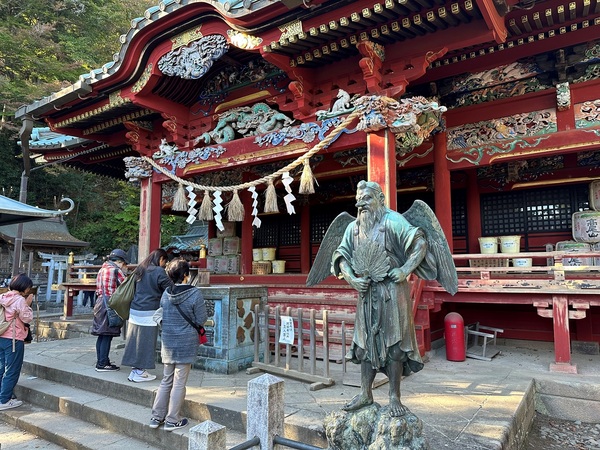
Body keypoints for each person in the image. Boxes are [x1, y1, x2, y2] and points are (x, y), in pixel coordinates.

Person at [332, 180, 435, 417]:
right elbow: (341, 256)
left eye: (367, 198)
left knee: (395, 344)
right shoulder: (353, 228)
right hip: (366, 293)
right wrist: (352, 279)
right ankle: (365, 393)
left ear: (380, 198)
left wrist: (406, 269)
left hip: (392, 291)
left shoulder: (393, 221)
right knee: (365, 344)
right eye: (358, 199)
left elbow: (420, 241)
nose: (361, 204)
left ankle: (394, 396)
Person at [149, 258, 207, 431]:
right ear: (186, 276)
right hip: (186, 342)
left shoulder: (166, 293)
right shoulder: (194, 293)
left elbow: (163, 313)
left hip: (168, 341)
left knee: (166, 380)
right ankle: (173, 419)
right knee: (179, 381)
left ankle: (156, 417)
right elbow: (201, 319)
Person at [122, 249, 172, 383]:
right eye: (164, 261)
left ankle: (134, 371)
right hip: (149, 311)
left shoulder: (140, 268)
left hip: (134, 309)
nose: (164, 264)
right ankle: (140, 372)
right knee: (146, 342)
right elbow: (170, 288)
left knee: (134, 341)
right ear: (160, 258)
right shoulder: (158, 271)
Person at [0, 273, 34, 410]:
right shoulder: (19, 300)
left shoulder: (2, 297)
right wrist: (28, 305)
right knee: (12, 370)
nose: (29, 290)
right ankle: (4, 400)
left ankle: (2, 395)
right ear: (24, 287)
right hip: (14, 338)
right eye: (28, 287)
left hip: (1, 335)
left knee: (2, 367)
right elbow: (27, 318)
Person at [91, 249, 128, 372]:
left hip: (100, 303)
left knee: (101, 335)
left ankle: (101, 361)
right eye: (123, 263)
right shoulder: (116, 270)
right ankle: (102, 364)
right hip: (110, 304)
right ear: (119, 261)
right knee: (107, 335)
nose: (124, 266)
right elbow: (126, 286)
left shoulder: (102, 269)